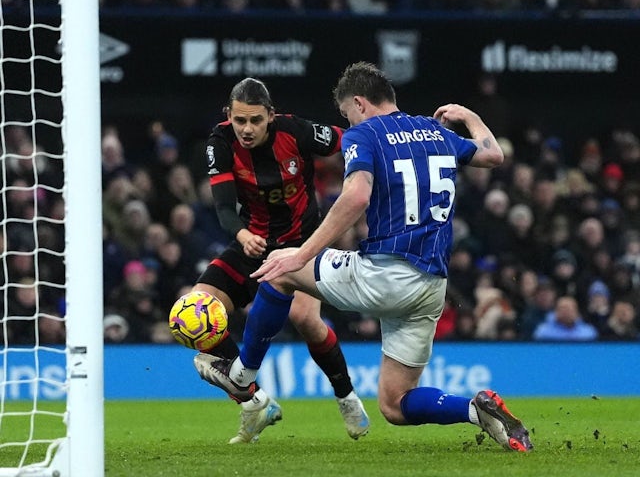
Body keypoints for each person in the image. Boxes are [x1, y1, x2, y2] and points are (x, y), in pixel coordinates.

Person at [194, 62, 533, 451]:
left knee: (279, 268)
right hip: (432, 286)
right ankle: (477, 409)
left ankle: (241, 376)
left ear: (358, 103)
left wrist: (303, 253)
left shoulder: (365, 133)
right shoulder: (435, 130)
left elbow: (356, 196)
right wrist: (469, 116)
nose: (347, 121)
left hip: (387, 271)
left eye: (346, 114)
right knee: (395, 403)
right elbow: (493, 156)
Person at [190, 77, 369, 443]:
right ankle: (254, 402)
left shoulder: (297, 131)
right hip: (252, 243)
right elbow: (224, 208)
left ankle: (346, 396)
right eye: (240, 120)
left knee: (304, 318)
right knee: (194, 313)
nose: (247, 129)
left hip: (302, 245)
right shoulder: (220, 142)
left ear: (271, 116)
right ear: (229, 116)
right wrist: (242, 235)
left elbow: (352, 137)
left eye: (255, 120)